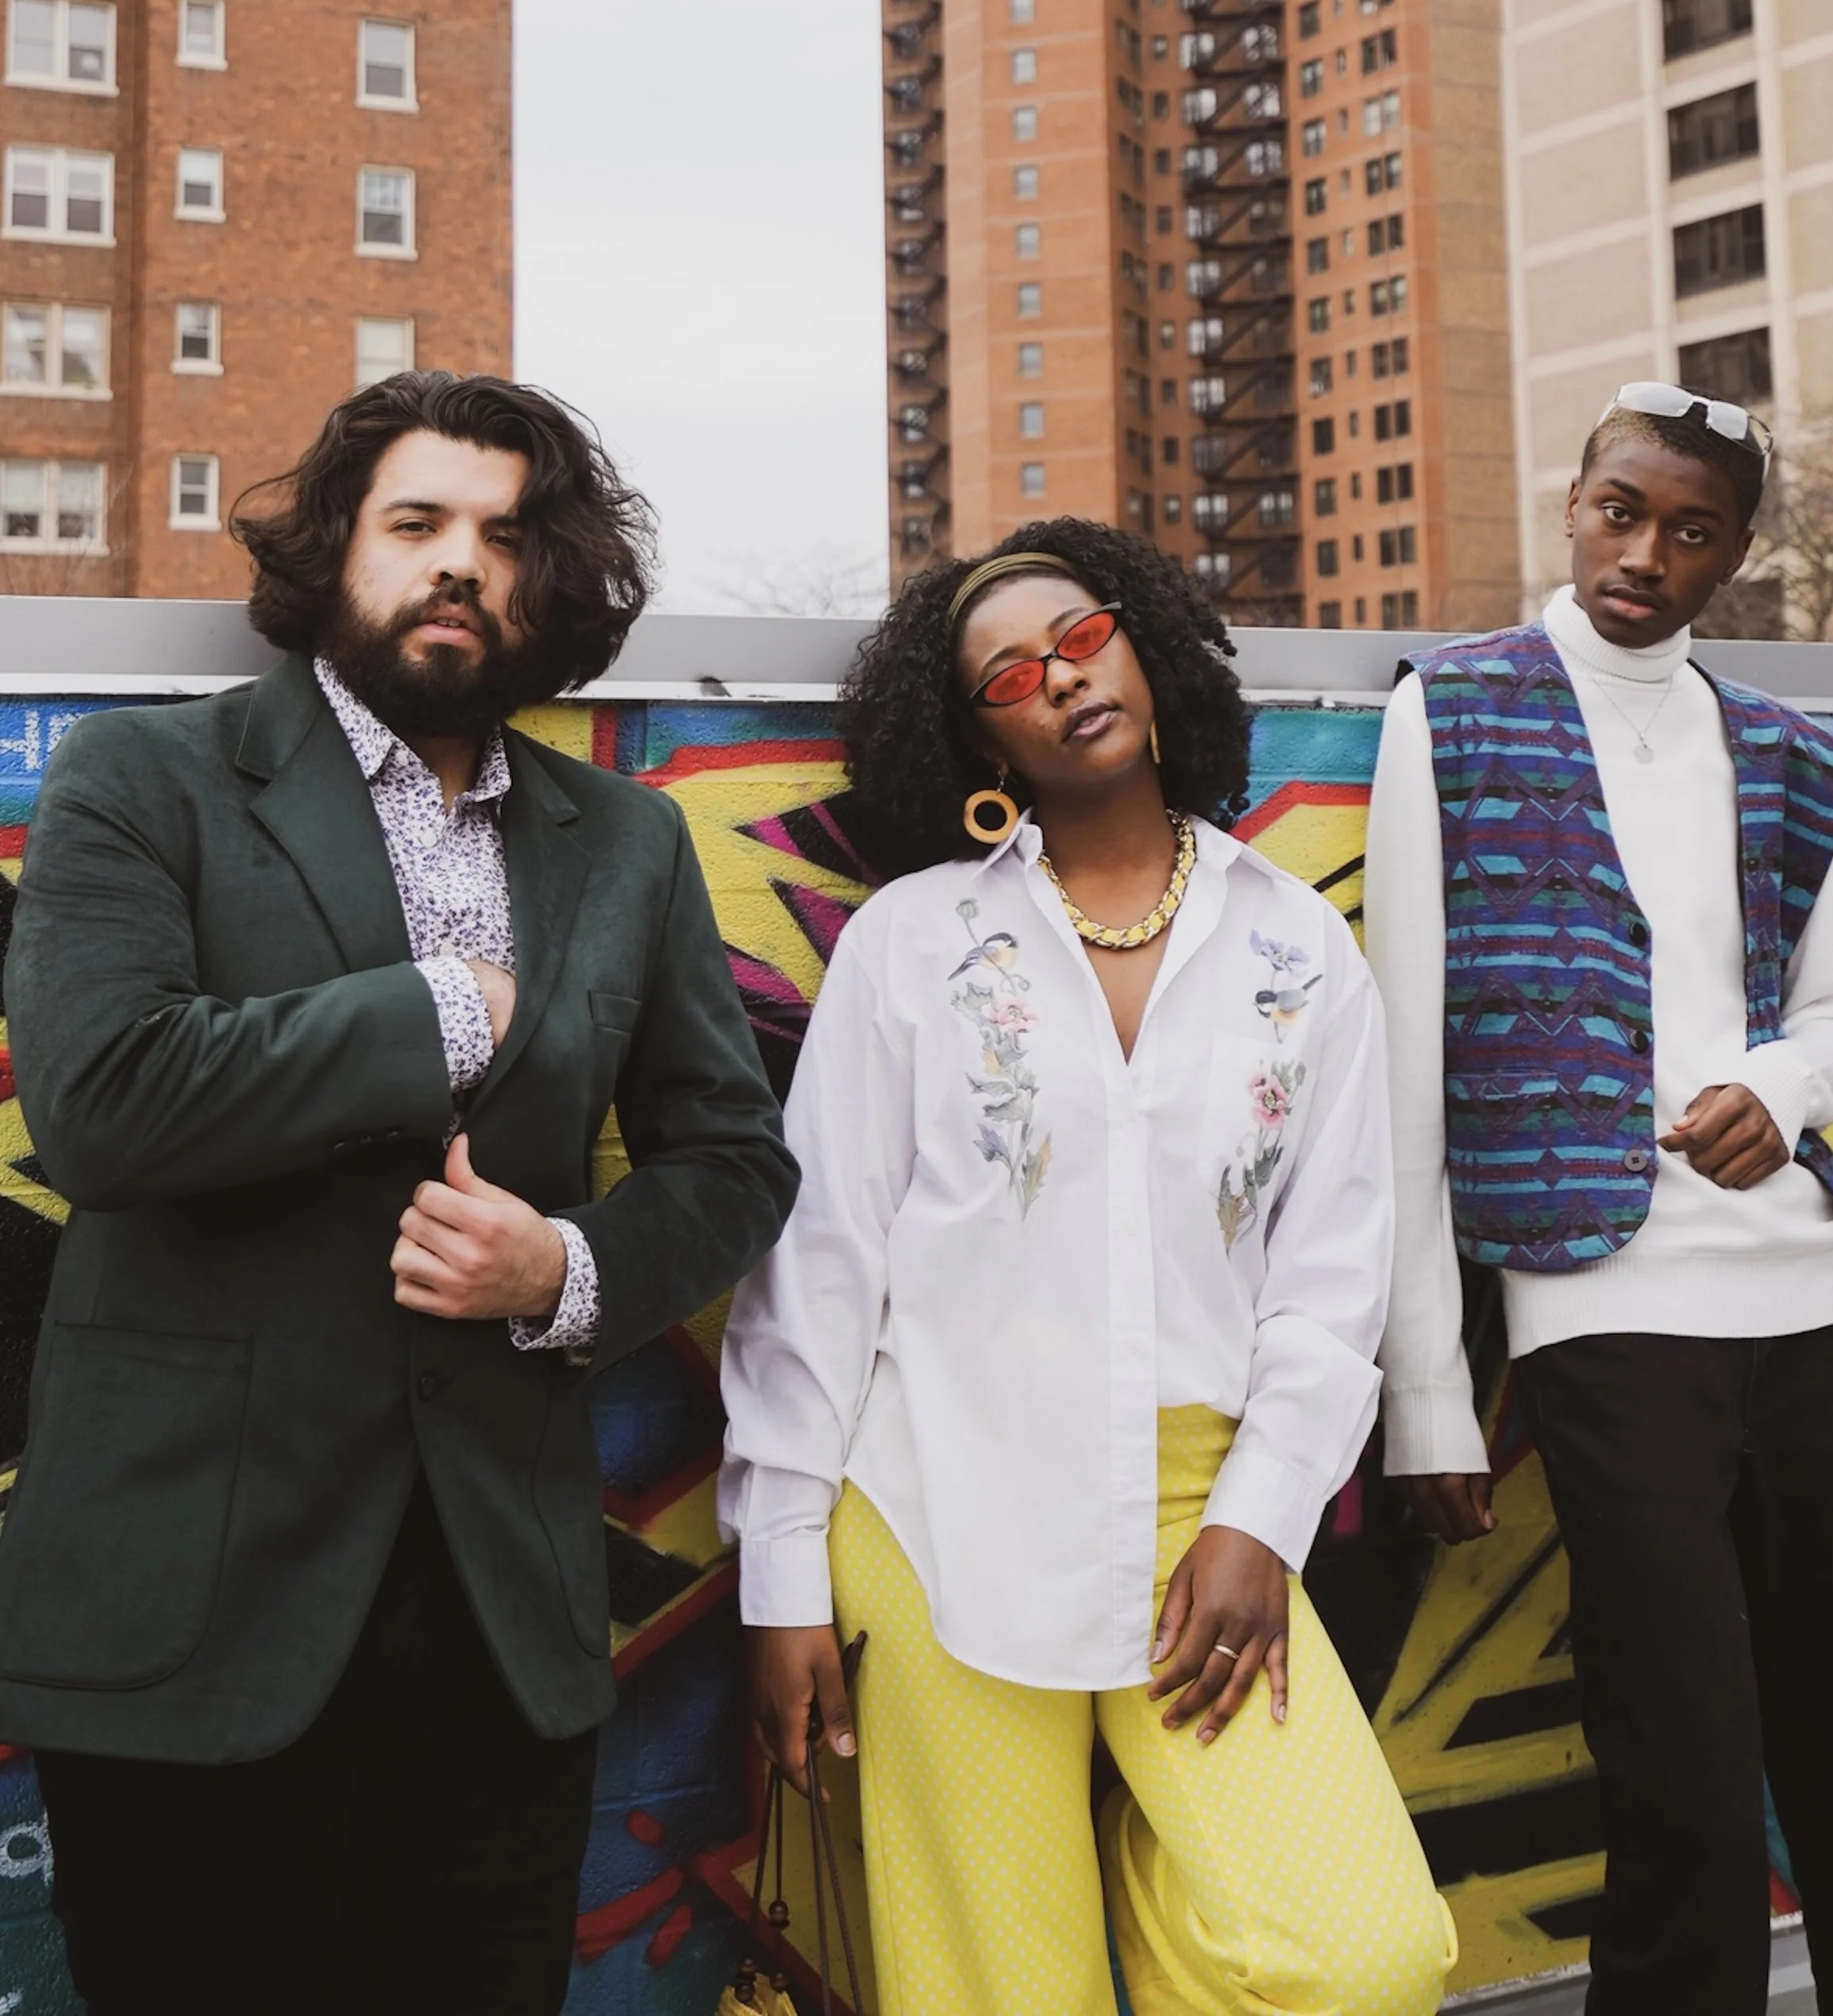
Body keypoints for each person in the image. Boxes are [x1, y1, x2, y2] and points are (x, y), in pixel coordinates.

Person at [0, 371, 799, 2016]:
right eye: (417, 522)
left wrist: (566, 1268)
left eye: (506, 536)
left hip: (497, 1629)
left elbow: (732, 1158)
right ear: (337, 552)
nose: (460, 564)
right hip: (193, 1604)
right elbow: (98, 1104)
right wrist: (443, 1006)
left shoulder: (625, 843)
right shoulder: (143, 779)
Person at [719, 518, 1454, 2016]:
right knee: (997, 1997)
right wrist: (781, 1571)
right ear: (968, 730)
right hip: (937, 1514)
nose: (1057, 681)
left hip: (1205, 1523)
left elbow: (1332, 1277)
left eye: (1078, 638)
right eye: (1007, 676)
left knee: (1360, 1955)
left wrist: (1261, 1514)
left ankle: (1129, 1876)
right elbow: (819, 1275)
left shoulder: (1298, 945)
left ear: (1144, 646)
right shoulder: (914, 946)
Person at [1366, 380, 1833, 2016]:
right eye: (1618, 509)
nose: (1643, 550)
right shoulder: (1458, 709)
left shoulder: (1778, 745)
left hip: (1803, 1293)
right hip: (1598, 1295)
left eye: (1688, 528)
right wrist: (1426, 1390)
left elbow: (1830, 1016)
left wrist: (1775, 1092)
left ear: (1731, 553)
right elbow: (1405, 1060)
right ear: (1573, 502)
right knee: (1681, 1759)